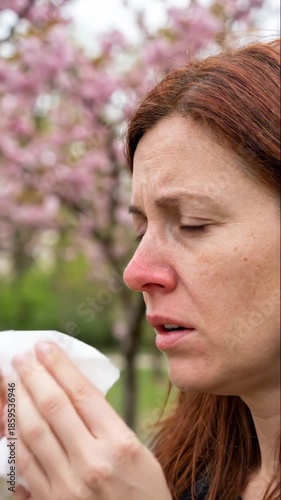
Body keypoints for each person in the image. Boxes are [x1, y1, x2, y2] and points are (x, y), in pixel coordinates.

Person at [0, 38, 280, 500]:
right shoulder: (187, 470)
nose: (136, 272)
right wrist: (20, 471)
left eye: (193, 224)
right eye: (140, 229)